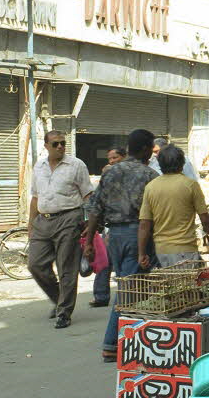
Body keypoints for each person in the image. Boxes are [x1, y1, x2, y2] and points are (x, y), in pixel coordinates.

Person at [85, 130, 156, 361]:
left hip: (113, 235)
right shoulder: (150, 175)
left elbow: (95, 207)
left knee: (132, 287)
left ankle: (133, 341)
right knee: (129, 290)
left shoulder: (110, 172)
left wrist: (90, 241)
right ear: (146, 149)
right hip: (138, 235)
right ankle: (111, 343)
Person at [29, 130, 94, 328]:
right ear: (46, 146)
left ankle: (64, 312)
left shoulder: (76, 165)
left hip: (68, 218)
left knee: (66, 267)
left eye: (63, 143)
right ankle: (59, 300)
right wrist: (30, 224)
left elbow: (88, 196)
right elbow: (35, 197)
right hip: (43, 220)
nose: (60, 147)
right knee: (35, 264)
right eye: (56, 144)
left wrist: (89, 224)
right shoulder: (39, 166)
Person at [140, 145, 209, 269]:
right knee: (187, 286)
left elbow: (144, 224)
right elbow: (205, 219)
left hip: (161, 251)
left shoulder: (150, 187)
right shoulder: (191, 185)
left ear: (160, 164)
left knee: (167, 287)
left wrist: (141, 253)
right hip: (186, 250)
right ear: (182, 163)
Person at [89, 146, 126, 308]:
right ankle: (101, 296)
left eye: (115, 158)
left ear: (124, 157)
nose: (112, 161)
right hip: (109, 228)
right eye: (110, 159)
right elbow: (96, 206)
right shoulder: (107, 177)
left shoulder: (129, 177)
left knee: (122, 266)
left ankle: (126, 298)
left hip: (124, 228)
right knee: (104, 262)